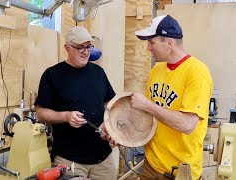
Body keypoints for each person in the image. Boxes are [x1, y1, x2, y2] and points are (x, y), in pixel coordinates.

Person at [131, 15, 214, 180]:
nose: (148, 48)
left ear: (169, 42)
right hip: (151, 164)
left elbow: (187, 124)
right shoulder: (157, 69)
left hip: (179, 171)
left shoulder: (197, 72)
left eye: (152, 42)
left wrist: (148, 105)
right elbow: (149, 116)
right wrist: (122, 132)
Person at [34, 26, 117, 180]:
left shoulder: (98, 72)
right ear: (67, 47)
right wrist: (66, 116)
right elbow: (40, 112)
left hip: (103, 159)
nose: (86, 52)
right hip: (70, 160)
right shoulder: (52, 75)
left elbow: (110, 104)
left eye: (88, 47)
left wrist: (109, 122)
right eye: (80, 47)